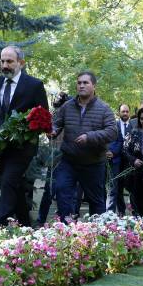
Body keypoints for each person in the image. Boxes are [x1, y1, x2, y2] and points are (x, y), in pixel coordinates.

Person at [0, 46, 48, 229]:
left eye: (9, 61)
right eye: (2, 61)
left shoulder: (34, 85)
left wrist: (25, 130)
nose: (5, 65)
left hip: (22, 149)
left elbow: (44, 118)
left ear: (21, 63)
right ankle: (27, 228)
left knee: (8, 185)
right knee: (14, 187)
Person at [51, 71, 117, 220]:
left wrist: (90, 137)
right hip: (69, 161)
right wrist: (53, 131)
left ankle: (97, 234)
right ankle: (64, 229)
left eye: (85, 83)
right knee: (61, 190)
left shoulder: (104, 108)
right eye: (79, 82)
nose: (81, 85)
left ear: (94, 85)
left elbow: (112, 132)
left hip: (93, 163)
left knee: (96, 201)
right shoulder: (67, 106)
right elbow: (56, 124)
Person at [36, 91, 70, 225]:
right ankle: (41, 219)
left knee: (64, 191)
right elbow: (49, 134)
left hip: (67, 156)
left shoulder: (70, 115)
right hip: (56, 156)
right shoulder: (56, 115)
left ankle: (64, 220)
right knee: (50, 190)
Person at [106, 104, 132, 215]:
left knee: (125, 186)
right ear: (119, 113)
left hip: (129, 161)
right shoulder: (114, 125)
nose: (125, 113)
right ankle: (113, 212)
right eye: (123, 111)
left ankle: (126, 211)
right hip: (115, 160)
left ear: (129, 112)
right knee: (114, 187)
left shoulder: (134, 125)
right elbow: (113, 141)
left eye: (127, 111)